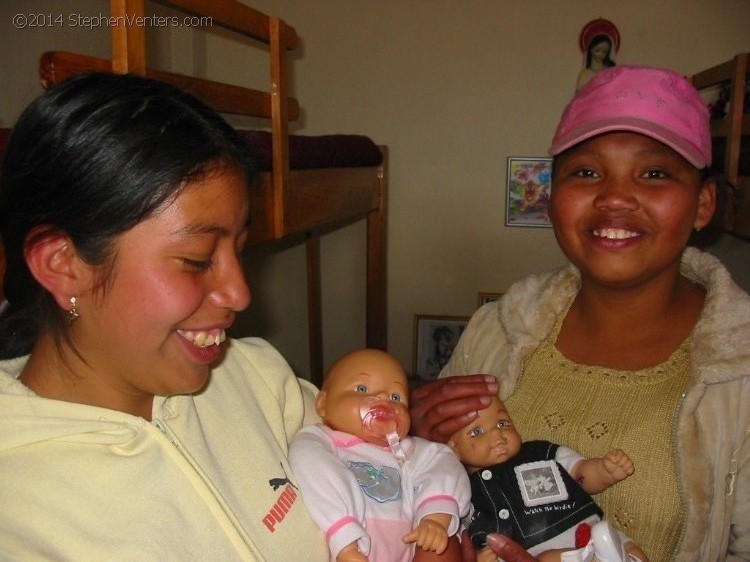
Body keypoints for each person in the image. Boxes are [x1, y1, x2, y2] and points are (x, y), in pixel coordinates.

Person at [410, 65, 750, 562]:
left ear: (703, 204)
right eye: (587, 172)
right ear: (551, 198)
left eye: (654, 173)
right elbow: (432, 499)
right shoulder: (496, 331)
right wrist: (411, 443)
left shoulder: (740, 372)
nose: (613, 197)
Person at [0, 72, 330, 559]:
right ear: (64, 266)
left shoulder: (256, 375)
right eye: (197, 259)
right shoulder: (19, 520)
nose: (240, 294)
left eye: (241, 249)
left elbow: (363, 455)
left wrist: (415, 430)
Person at [289, 349, 471, 562]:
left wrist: (435, 518)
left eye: (396, 397)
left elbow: (443, 464)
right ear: (322, 404)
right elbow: (314, 470)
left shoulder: (408, 451)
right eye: (362, 388)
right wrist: (345, 540)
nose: (384, 398)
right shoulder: (321, 441)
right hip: (344, 546)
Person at [448, 395, 647, 562]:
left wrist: (604, 471)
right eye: (477, 432)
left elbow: (579, 473)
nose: (497, 434)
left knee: (630, 548)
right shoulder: (463, 490)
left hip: (591, 530)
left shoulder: (539, 452)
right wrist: (479, 556)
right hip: (537, 555)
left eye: (502, 423)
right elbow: (460, 534)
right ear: (452, 449)